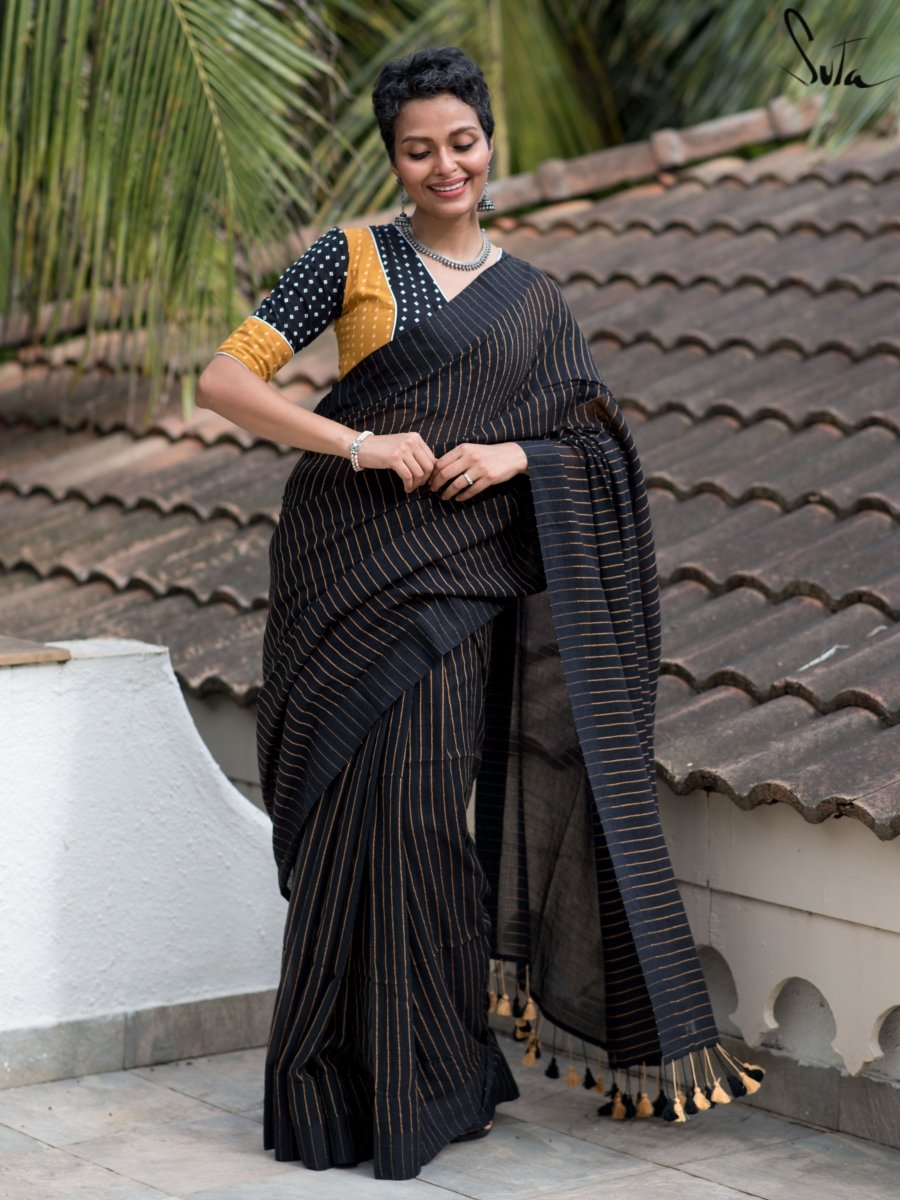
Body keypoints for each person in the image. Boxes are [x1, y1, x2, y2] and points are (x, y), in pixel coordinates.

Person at [197, 46, 760, 1183]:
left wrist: (516, 456)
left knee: (418, 824)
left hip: (456, 592)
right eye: (419, 150)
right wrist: (358, 442)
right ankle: (333, 1085)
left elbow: (597, 445)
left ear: (490, 142)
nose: (445, 165)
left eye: (462, 142)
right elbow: (224, 381)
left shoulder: (535, 302)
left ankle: (435, 1075)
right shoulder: (351, 257)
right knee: (353, 824)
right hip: (343, 576)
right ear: (395, 160)